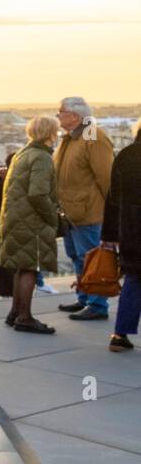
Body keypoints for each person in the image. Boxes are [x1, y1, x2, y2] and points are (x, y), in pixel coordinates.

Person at [53, 96, 115, 321]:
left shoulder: (92, 136)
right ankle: (84, 297)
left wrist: (111, 212)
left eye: (60, 111)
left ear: (75, 116)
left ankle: (97, 304)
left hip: (88, 211)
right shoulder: (71, 138)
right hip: (71, 212)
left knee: (92, 258)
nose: (57, 115)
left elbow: (106, 177)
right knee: (78, 257)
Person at [0, 116, 61, 334]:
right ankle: (24, 317)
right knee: (31, 269)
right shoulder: (42, 157)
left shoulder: (21, 154)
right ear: (50, 133)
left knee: (22, 267)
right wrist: (53, 217)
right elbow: (38, 193)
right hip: (32, 221)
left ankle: (16, 312)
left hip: (16, 219)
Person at [101, 121, 141, 351]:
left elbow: (113, 198)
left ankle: (119, 334)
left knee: (134, 280)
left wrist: (109, 233)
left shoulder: (126, 155)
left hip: (131, 230)